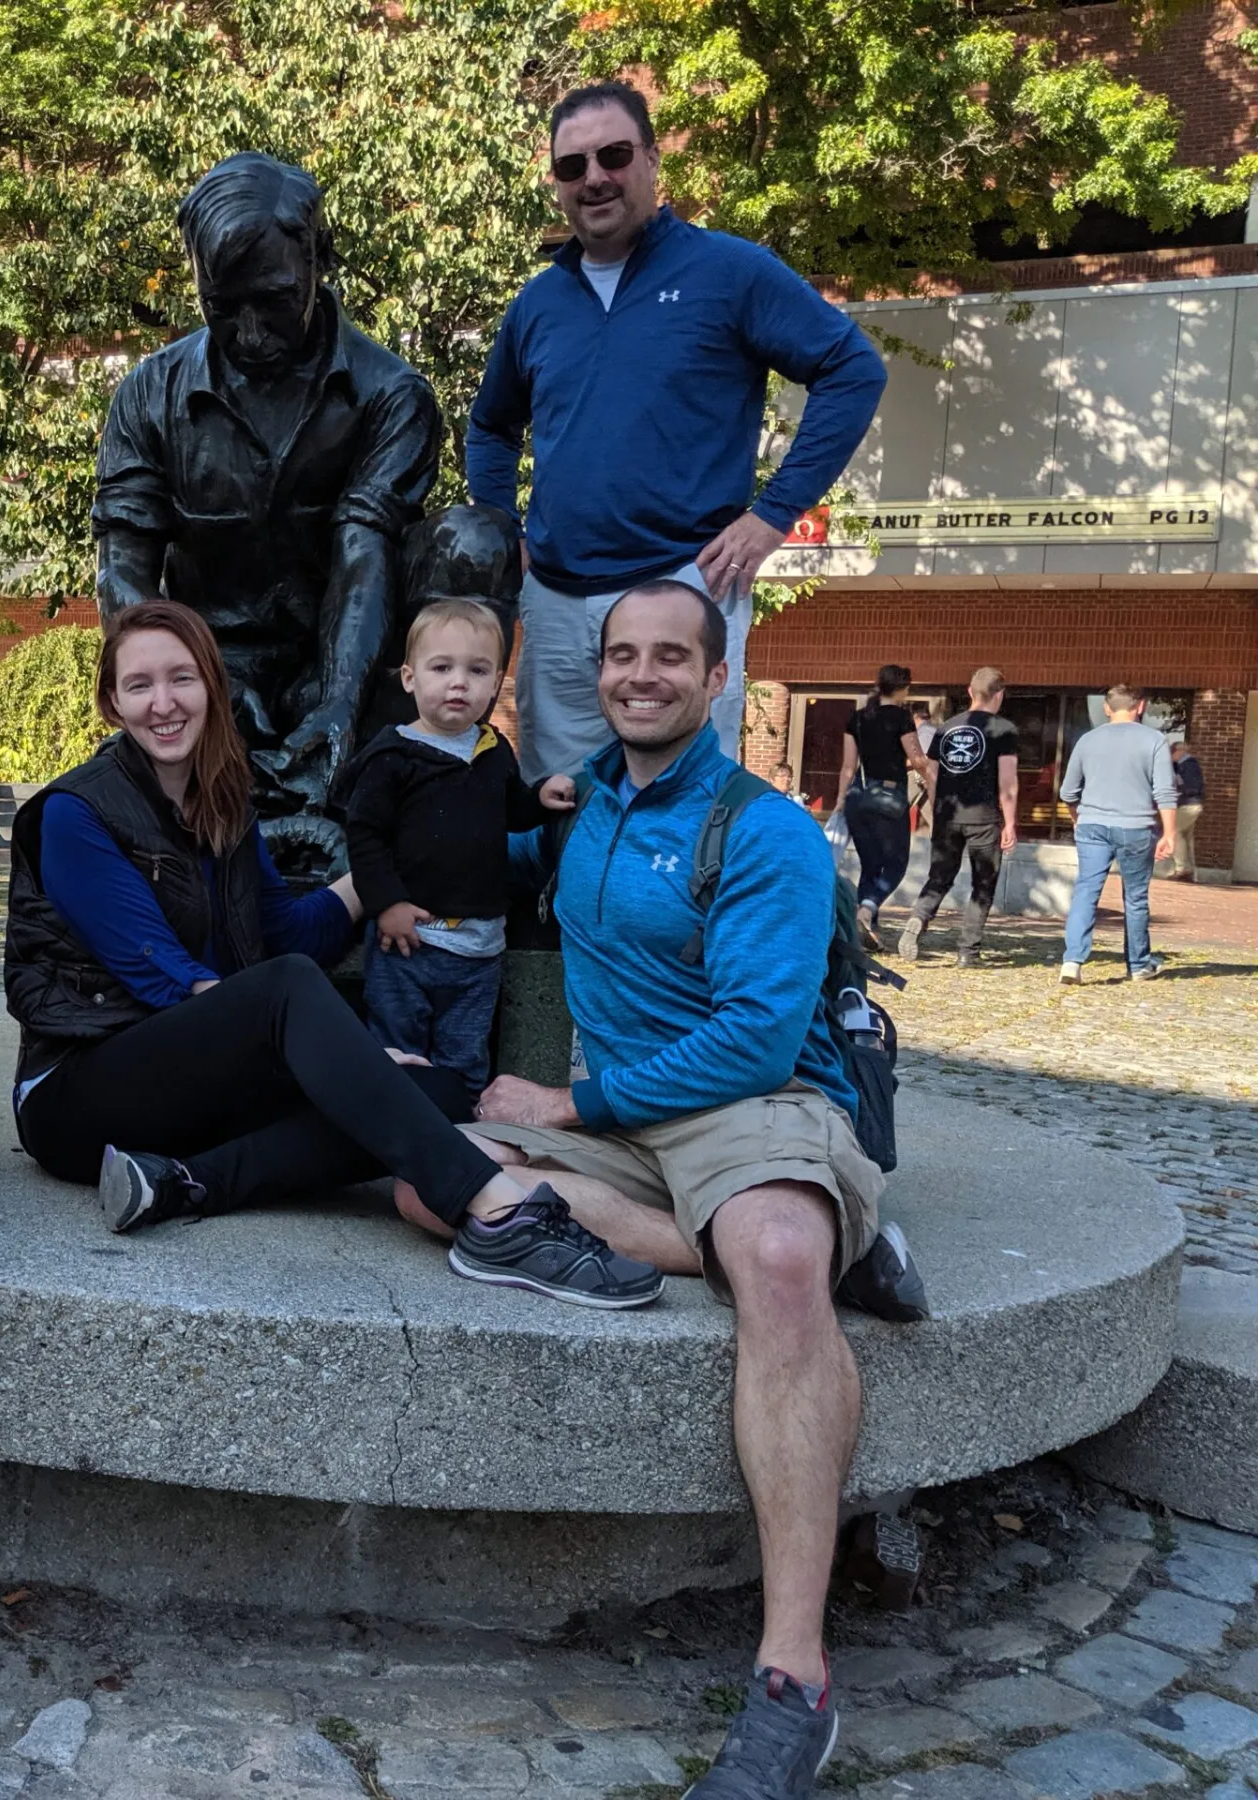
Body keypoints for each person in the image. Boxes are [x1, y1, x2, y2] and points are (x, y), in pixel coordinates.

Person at [463, 578, 926, 1799]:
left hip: (751, 1105)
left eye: (672, 656)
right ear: (597, 673)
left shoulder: (764, 830)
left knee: (774, 1263)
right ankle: (838, 1243)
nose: (643, 674)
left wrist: (566, 1105)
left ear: (716, 680)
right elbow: (487, 847)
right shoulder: (590, 806)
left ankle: (794, 1677)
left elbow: (759, 1042)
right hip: (631, 1123)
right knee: (442, 1181)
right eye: (623, 655)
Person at [3, 598, 661, 1309]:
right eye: (139, 685)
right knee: (313, 1013)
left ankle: (180, 1182)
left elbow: (287, 932)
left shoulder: (221, 802)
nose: (164, 703)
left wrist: (386, 879)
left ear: (211, 688)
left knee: (439, 1088)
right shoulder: (74, 813)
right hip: (78, 1091)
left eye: (182, 679)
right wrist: (360, 1054)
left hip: (187, 1090)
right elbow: (167, 979)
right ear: (112, 701)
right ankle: (498, 1211)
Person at [463, 80, 887, 784]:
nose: (594, 177)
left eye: (614, 154)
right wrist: (500, 531)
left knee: (682, 811)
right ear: (557, 185)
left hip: (683, 588)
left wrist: (773, 516)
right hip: (558, 607)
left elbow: (851, 369)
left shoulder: (729, 271)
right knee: (557, 804)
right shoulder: (537, 304)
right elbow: (490, 426)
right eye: (573, 166)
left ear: (653, 161)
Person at [94, 151, 443, 868]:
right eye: (223, 309)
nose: (251, 334)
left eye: (276, 300)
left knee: (474, 541)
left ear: (320, 262)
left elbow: (364, 550)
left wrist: (340, 704)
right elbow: (122, 578)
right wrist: (206, 689)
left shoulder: (391, 396)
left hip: (343, 665)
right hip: (210, 669)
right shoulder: (147, 396)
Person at [342, 599, 573, 1090]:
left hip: (480, 947)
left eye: (477, 670)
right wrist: (386, 903)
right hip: (409, 941)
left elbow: (508, 810)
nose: (458, 682)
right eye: (441, 667)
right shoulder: (393, 756)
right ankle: (394, 1135)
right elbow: (364, 835)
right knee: (397, 1050)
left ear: (495, 684)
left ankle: (462, 1136)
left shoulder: (493, 750)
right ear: (409, 678)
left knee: (465, 1054)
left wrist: (540, 798)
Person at [897, 668, 1018, 969]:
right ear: (1000, 694)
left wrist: (939, 809)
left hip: (947, 815)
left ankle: (919, 917)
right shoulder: (1004, 730)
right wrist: (1011, 822)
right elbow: (1008, 781)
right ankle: (968, 951)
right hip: (983, 818)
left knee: (940, 876)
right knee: (983, 883)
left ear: (969, 692)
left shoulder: (947, 727)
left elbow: (931, 773)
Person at [1058, 684, 1178, 985]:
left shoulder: (1087, 740)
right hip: (1136, 826)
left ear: (1107, 708)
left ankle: (1072, 961)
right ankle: (1138, 964)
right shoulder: (1154, 740)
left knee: (1086, 891)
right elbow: (1164, 791)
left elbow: (1068, 791)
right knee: (1135, 897)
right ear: (1140, 707)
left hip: (1093, 825)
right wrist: (1170, 833)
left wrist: (1077, 818)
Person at [836, 666, 932, 947]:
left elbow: (847, 766)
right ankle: (865, 910)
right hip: (889, 797)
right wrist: (931, 777)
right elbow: (916, 759)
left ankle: (865, 931)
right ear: (903, 688)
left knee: (870, 864)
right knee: (896, 864)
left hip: (858, 796)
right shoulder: (901, 717)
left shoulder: (857, 718)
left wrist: (841, 799)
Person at [1167, 740, 1204, 879]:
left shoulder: (1188, 766)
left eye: (1172, 753)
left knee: (1174, 831)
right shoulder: (1184, 765)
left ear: (1180, 751)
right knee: (1187, 838)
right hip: (1191, 805)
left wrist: (1178, 794)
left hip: (1189, 805)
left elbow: (1191, 787)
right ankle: (1190, 872)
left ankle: (1182, 868)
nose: (1170, 756)